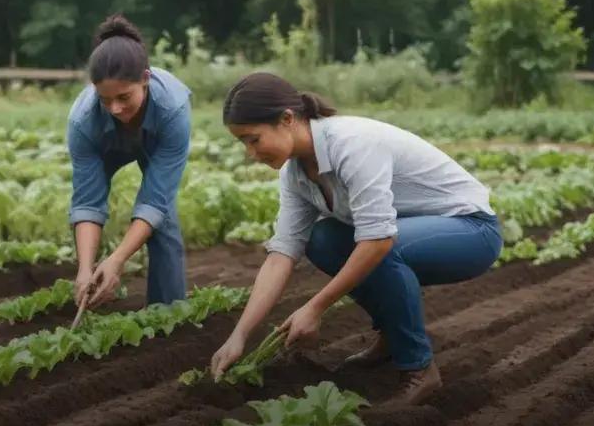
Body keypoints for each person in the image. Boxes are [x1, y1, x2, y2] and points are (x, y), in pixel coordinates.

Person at [210, 72, 502, 404]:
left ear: (287, 119)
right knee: (322, 240)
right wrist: (239, 336)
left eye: (254, 139)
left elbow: (377, 241)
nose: (251, 153)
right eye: (243, 144)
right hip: (407, 233)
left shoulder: (352, 144)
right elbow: (281, 255)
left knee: (379, 249)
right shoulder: (295, 173)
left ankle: (419, 368)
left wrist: (315, 307)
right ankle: (393, 337)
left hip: (471, 230)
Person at [67, 14, 192, 310]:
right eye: (105, 99)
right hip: (104, 142)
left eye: (124, 96)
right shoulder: (83, 122)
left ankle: (167, 313)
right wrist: (84, 268)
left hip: (155, 135)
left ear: (145, 79)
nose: (115, 108)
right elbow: (87, 202)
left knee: (162, 220)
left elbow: (155, 199)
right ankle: (91, 287)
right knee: (85, 232)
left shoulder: (172, 111)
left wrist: (118, 259)